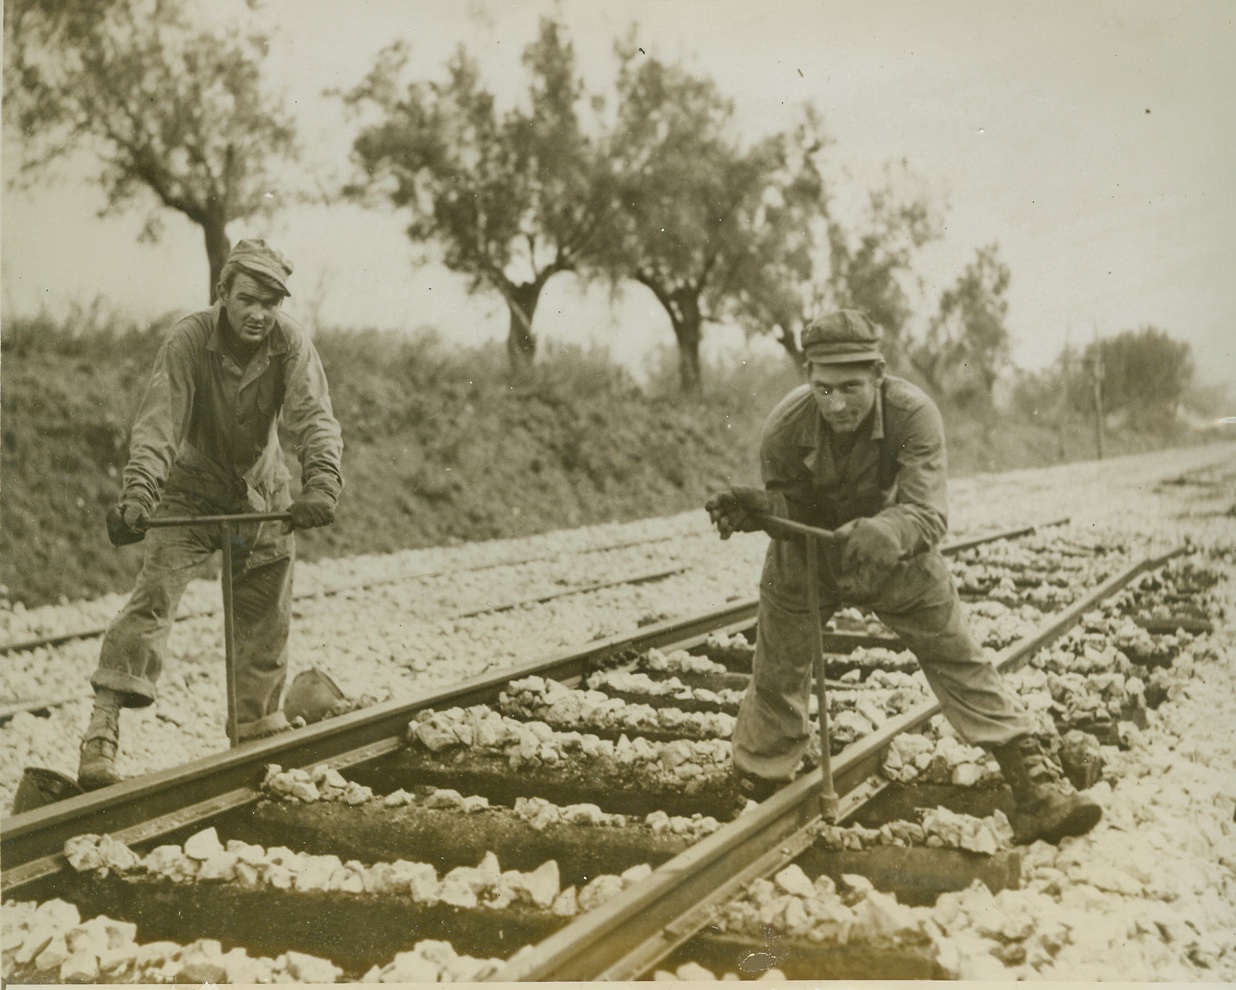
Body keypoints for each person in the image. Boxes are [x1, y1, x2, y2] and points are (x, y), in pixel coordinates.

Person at [705, 309, 1100, 845]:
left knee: (958, 656)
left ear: (878, 374)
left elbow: (929, 513)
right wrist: (764, 510)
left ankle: (1035, 788)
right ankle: (758, 784)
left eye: (850, 388)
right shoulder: (785, 426)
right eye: (823, 389)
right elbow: (793, 507)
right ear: (809, 377)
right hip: (810, 556)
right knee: (776, 668)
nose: (836, 404)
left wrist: (887, 530)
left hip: (899, 557)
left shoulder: (915, 415)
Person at [77, 239, 344, 790]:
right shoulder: (189, 339)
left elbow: (314, 416)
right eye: (248, 299)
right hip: (191, 492)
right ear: (223, 293)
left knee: (265, 620)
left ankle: (255, 738)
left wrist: (321, 482)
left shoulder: (290, 342)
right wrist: (139, 496)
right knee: (154, 596)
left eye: (271, 303)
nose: (259, 314)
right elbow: (159, 424)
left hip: (262, 496)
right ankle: (102, 729)